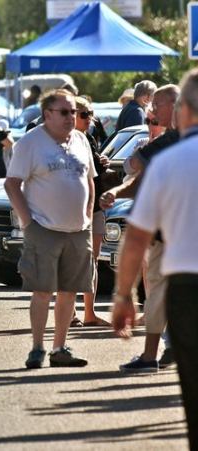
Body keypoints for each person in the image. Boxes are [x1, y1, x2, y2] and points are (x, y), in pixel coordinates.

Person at [112, 69, 198, 449]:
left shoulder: (167, 161)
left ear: (185, 110)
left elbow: (136, 239)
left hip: (188, 286)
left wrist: (124, 296)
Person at [4, 89, 97, 369]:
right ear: (47, 114)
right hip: (43, 227)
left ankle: (60, 348)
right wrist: (28, 223)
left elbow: (90, 181)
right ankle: (37, 348)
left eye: (75, 113)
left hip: (78, 229)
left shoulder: (81, 140)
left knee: (70, 291)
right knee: (43, 291)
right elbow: (12, 184)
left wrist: (89, 215)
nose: (72, 117)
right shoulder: (31, 143)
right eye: (65, 112)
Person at [100, 84, 181, 373]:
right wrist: (118, 191)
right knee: (159, 292)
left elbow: (137, 164)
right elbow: (138, 175)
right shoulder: (166, 140)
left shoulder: (168, 144)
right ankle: (152, 355)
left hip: (172, 235)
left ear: (176, 104)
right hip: (166, 236)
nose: (152, 113)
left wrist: (123, 296)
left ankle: (153, 356)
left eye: (156, 107)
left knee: (161, 292)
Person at [72, 96, 111, 328]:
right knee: (71, 261)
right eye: (84, 114)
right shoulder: (63, 140)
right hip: (74, 208)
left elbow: (92, 173)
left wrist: (102, 162)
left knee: (92, 261)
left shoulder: (89, 139)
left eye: (90, 114)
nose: (89, 119)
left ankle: (90, 313)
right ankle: (71, 313)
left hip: (94, 206)